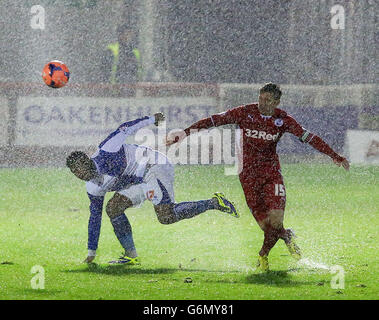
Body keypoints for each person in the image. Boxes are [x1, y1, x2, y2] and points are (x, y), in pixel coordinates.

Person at [166, 83, 350, 271]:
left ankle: (263, 256)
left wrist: (335, 156)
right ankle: (286, 236)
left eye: (268, 100)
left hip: (271, 174)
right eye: (261, 98)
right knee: (267, 227)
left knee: (276, 221)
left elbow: (310, 138)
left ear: (277, 102)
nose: (262, 103)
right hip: (248, 176)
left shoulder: (283, 119)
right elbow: (212, 121)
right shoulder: (245, 112)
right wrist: (184, 133)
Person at [66, 113, 239, 265]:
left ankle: (213, 203)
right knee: (113, 208)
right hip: (140, 181)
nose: (79, 174)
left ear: (87, 161)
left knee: (166, 217)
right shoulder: (93, 187)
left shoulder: (106, 150)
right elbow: (95, 217)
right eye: (74, 172)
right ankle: (131, 255)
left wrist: (150, 119)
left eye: (80, 168)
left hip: (154, 166)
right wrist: (91, 252)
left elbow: (124, 129)